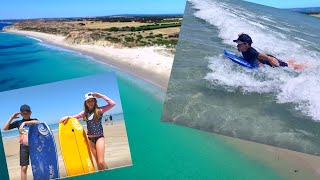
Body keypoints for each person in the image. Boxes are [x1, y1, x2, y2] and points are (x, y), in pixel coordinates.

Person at [60, 92, 116, 170]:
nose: (90, 102)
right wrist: (67, 116)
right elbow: (74, 117)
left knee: (101, 162)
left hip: (99, 138)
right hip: (90, 140)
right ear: (85, 103)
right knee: (97, 163)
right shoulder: (84, 113)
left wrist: (101, 96)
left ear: (95, 101)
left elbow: (112, 104)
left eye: (92, 100)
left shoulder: (99, 110)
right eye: (88, 101)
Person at [3, 104, 39, 180]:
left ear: (30, 113)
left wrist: (24, 123)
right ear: (21, 114)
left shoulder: (33, 120)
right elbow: (5, 128)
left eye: (27, 113)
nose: (25, 114)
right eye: (23, 113)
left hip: (35, 146)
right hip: (24, 147)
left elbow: (37, 122)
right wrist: (12, 117)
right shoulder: (17, 122)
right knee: (23, 168)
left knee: (38, 164)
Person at [233, 33, 304, 70]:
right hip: (264, 59)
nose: (237, 45)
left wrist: (270, 61)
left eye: (239, 44)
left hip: (269, 61)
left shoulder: (251, 52)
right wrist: (241, 35)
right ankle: (290, 62)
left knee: (289, 67)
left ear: (246, 44)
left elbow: (264, 57)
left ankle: (303, 66)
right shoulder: (243, 48)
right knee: (285, 63)